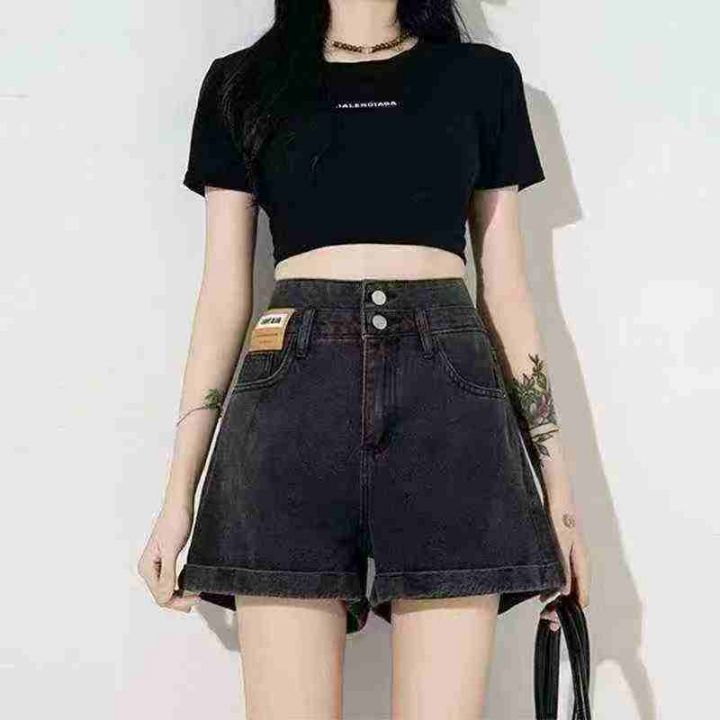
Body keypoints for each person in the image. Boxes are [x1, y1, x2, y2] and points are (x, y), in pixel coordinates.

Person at [138, 1, 591, 716]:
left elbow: (506, 292)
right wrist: (176, 499)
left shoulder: (480, 78)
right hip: (290, 405)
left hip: (449, 408)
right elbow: (223, 297)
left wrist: (558, 493)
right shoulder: (244, 82)